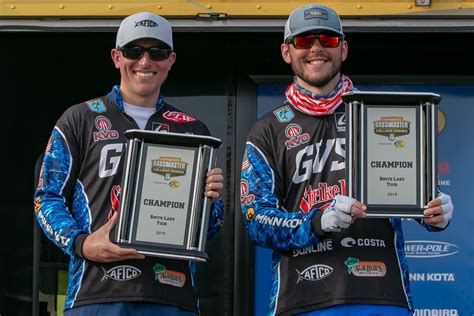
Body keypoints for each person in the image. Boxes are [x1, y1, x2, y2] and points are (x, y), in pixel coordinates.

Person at [240, 4, 453, 316]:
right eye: (303, 41)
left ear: (343, 49)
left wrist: (435, 211)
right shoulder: (267, 129)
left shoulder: (380, 115)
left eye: (327, 40)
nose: (315, 49)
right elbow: (255, 220)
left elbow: (414, 192)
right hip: (300, 298)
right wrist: (318, 221)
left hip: (384, 296)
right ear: (286, 52)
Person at [33, 12, 224, 315]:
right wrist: (81, 243)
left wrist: (210, 202)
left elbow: (211, 228)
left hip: (172, 295)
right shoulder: (79, 118)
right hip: (95, 292)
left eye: (157, 52)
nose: (145, 62)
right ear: (116, 57)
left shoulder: (192, 130)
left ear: (171, 59)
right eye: (134, 51)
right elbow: (47, 198)